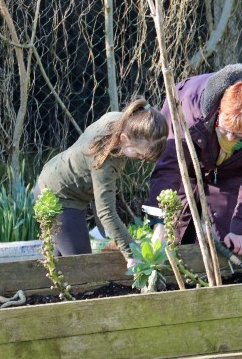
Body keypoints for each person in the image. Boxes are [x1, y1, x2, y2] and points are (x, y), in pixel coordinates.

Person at [147, 63, 242, 255]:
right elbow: (169, 167)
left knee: (228, 240)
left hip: (232, 170)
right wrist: (159, 222)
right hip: (189, 164)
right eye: (226, 131)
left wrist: (241, 229)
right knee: (175, 233)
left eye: (239, 136)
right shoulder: (187, 106)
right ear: (219, 111)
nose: (229, 139)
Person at [35, 98, 168, 262]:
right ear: (125, 138)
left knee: (60, 266)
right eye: (139, 154)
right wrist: (132, 256)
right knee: (82, 267)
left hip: (53, 177)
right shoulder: (105, 160)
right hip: (58, 198)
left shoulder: (120, 120)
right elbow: (107, 213)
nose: (139, 159)